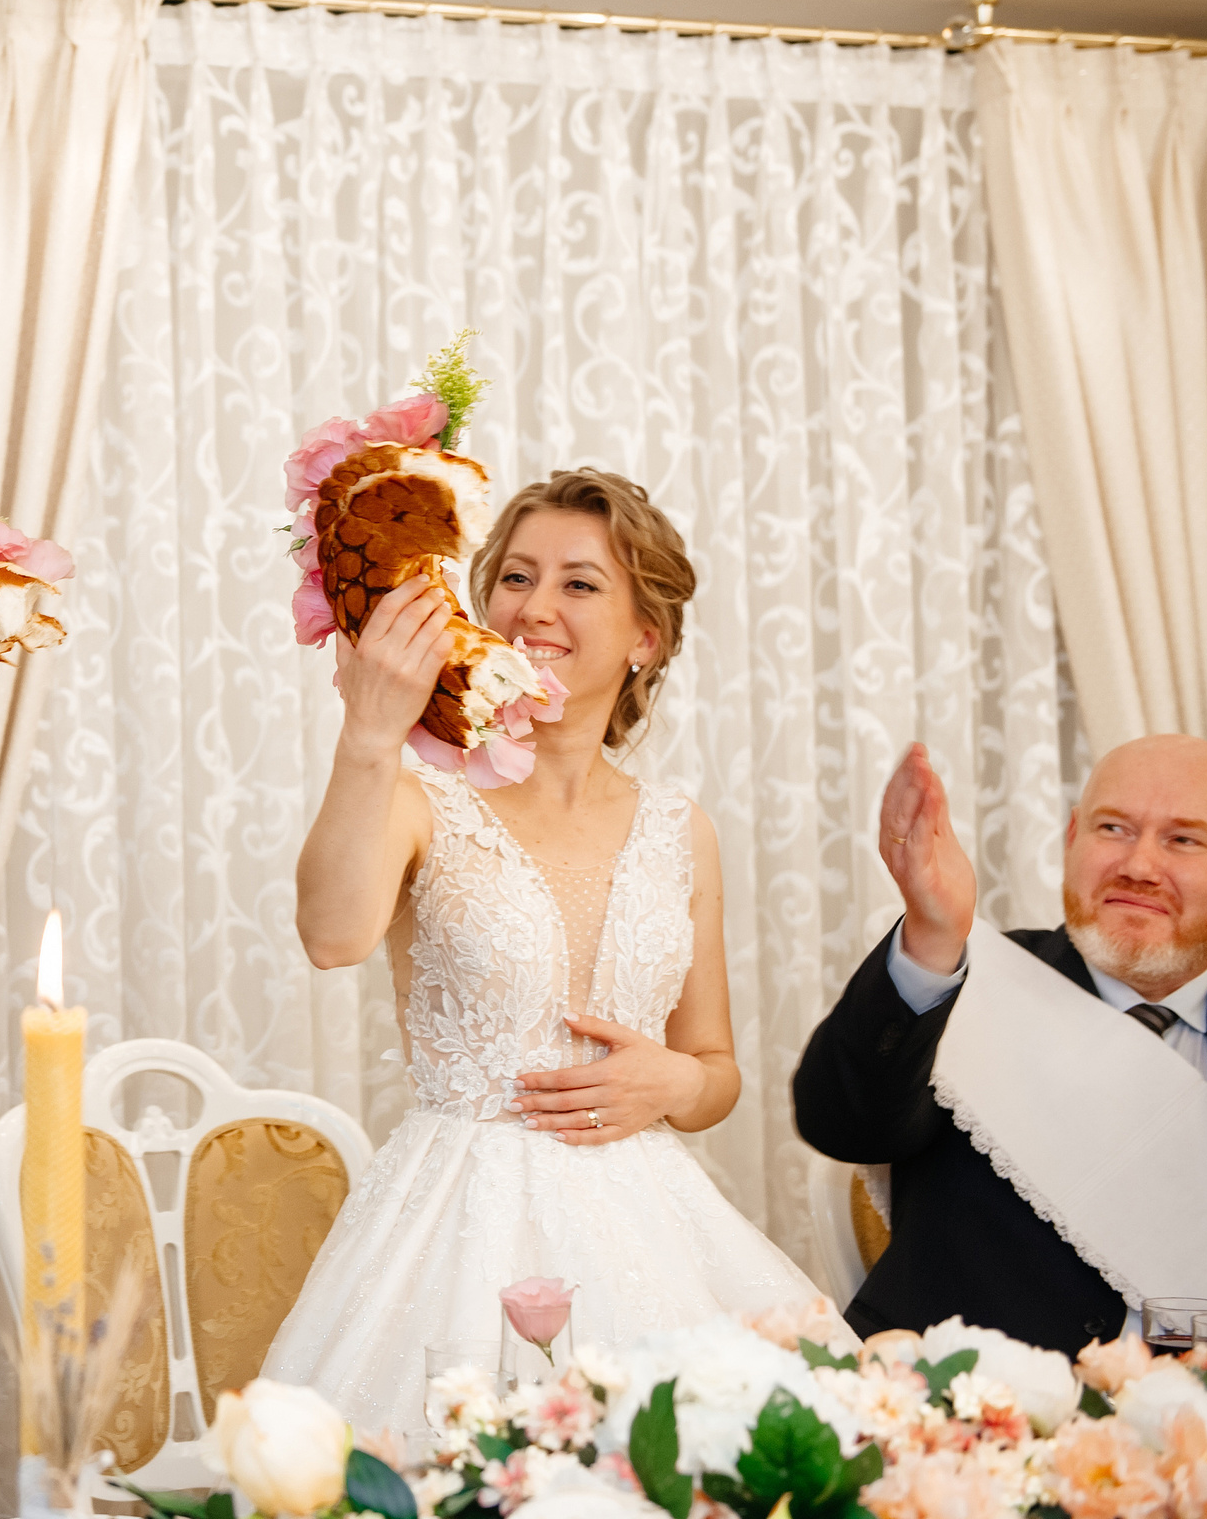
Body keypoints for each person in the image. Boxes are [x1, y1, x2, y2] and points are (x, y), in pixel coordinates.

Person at [263, 468, 835, 1431]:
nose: (536, 607)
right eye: (517, 577)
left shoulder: (677, 829)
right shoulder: (418, 796)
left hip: (649, 1229)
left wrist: (672, 1087)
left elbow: (716, 1071)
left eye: (580, 583)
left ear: (645, 636)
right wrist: (368, 734)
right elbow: (330, 938)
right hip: (450, 1231)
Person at [793, 736, 1207, 1353]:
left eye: (1182, 840)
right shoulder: (973, 977)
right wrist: (930, 937)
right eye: (1112, 828)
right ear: (1071, 841)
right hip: (972, 1414)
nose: (1139, 866)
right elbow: (841, 1125)